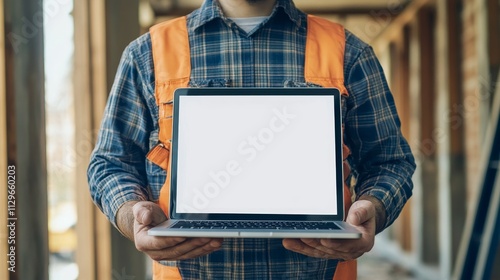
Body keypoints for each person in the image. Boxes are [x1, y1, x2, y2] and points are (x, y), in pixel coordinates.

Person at [88, 0, 416, 279]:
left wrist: (373, 208)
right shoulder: (148, 54)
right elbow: (111, 162)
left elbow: (389, 161)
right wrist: (133, 217)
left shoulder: (348, 52)